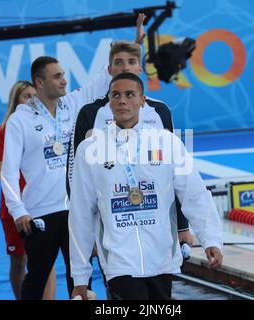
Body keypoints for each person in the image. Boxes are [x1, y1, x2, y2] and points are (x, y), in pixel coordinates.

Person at [69, 72, 223, 300]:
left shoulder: (167, 142)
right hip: (119, 262)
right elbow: (80, 214)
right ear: (109, 101)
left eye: (130, 94)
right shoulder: (90, 149)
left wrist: (211, 239)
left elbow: (194, 194)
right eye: (116, 95)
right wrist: (80, 277)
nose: (122, 100)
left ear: (142, 101)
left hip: (162, 259)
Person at [0, 58, 111, 299]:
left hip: (76, 210)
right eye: (57, 76)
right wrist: (18, 211)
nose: (64, 80)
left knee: (81, 278)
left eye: (63, 74)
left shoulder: (72, 104)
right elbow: (8, 171)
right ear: (39, 82)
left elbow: (99, 82)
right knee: (38, 277)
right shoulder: (20, 121)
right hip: (41, 212)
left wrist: (128, 48)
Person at [67, 40, 195, 246]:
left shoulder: (160, 111)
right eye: (118, 62)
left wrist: (182, 226)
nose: (125, 67)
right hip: (111, 220)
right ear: (109, 70)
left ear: (140, 68)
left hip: (155, 217)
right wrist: (85, 231)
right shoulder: (90, 113)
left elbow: (177, 171)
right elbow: (74, 175)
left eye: (131, 61)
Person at [0, 80, 56, 300]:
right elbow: (2, 175)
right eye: (26, 96)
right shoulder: (2, 132)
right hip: (14, 208)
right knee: (19, 260)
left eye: (34, 96)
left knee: (45, 259)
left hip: (43, 202)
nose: (31, 100)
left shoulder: (47, 128)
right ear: (15, 101)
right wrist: (18, 206)